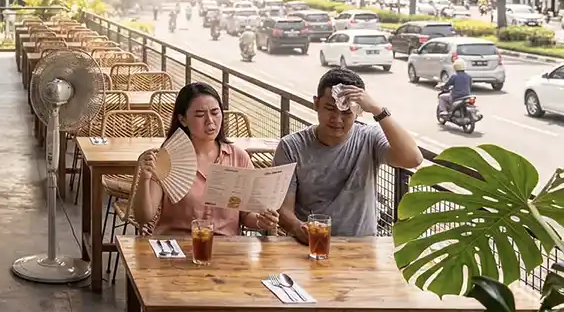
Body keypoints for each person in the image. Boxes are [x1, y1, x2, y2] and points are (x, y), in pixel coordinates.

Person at [273, 68, 423, 240]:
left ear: (358, 111)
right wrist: (298, 227)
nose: (337, 119)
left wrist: (377, 110)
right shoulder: (291, 146)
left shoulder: (369, 137)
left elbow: (413, 159)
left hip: (362, 247)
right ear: (316, 104)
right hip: (311, 245)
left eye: (346, 112)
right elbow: (283, 209)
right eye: (330, 108)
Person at [132, 82, 279, 236]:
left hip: (226, 250)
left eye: (215, 113)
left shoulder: (239, 158)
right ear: (183, 120)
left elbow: (246, 215)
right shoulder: (168, 159)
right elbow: (143, 217)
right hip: (177, 249)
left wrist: (261, 221)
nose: (210, 121)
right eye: (200, 115)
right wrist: (144, 179)